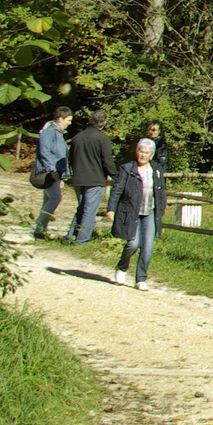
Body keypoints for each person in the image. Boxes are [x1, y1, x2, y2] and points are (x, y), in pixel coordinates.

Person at [108, 138, 165, 290]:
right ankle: (122, 267)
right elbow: (117, 190)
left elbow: (161, 194)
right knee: (133, 243)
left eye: (146, 153)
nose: (143, 155)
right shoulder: (127, 169)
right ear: (136, 152)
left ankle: (141, 279)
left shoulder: (157, 171)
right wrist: (111, 209)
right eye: (141, 151)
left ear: (151, 155)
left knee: (148, 247)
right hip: (131, 212)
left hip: (150, 213)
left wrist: (161, 214)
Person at [65, 110, 119, 244]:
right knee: (90, 210)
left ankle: (71, 235)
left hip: (78, 179)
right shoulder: (102, 139)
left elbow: (70, 159)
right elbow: (107, 161)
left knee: (82, 208)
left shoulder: (77, 138)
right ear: (104, 123)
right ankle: (82, 240)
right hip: (95, 179)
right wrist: (116, 175)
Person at [30, 107, 73, 239]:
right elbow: (44, 151)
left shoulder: (58, 133)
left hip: (56, 173)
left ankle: (41, 230)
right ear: (60, 118)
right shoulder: (49, 132)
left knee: (48, 199)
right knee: (55, 198)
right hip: (50, 172)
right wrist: (52, 169)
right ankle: (38, 227)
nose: (70, 123)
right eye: (68, 120)